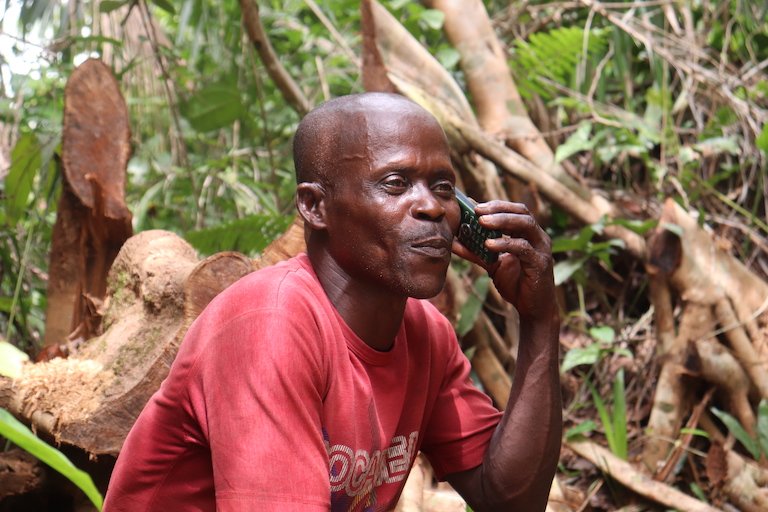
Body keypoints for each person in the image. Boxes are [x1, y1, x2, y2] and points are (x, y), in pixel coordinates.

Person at [103, 92, 561, 511]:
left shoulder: (425, 335)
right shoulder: (270, 323)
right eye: (396, 183)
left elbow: (510, 500)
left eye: (442, 187)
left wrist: (540, 320)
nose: (432, 208)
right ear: (314, 206)